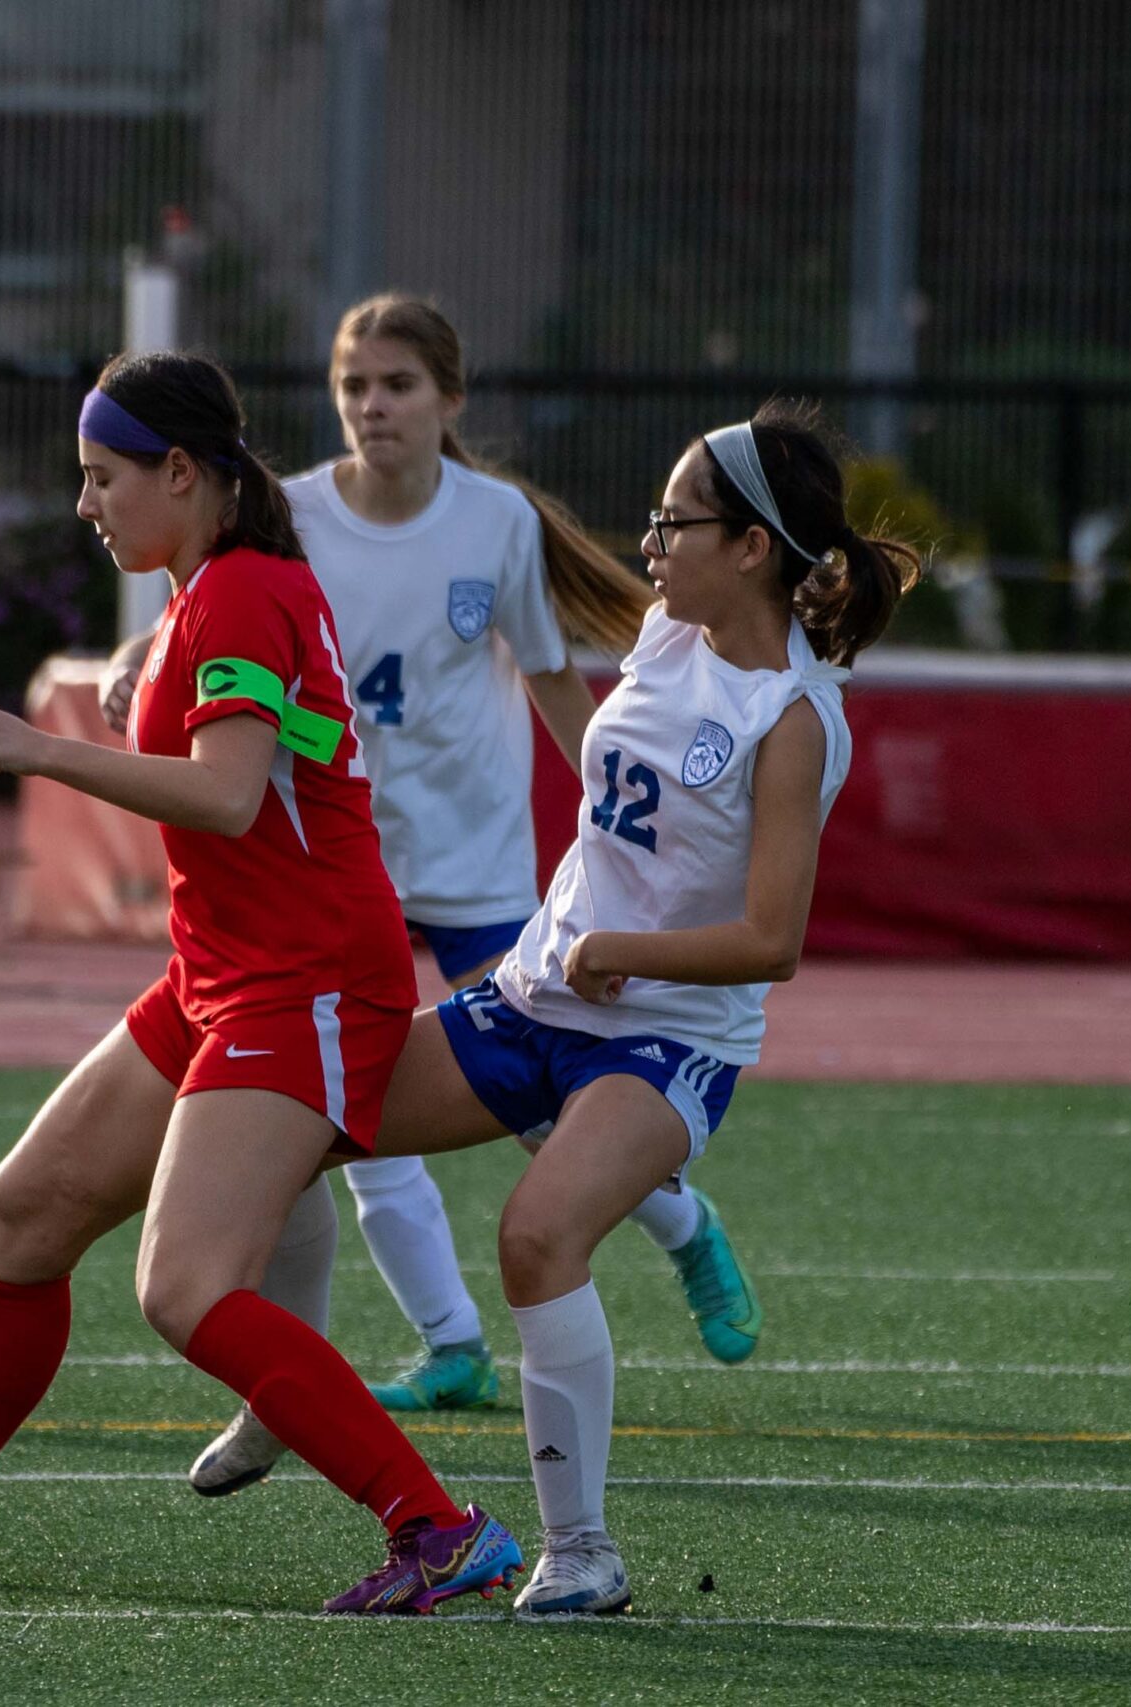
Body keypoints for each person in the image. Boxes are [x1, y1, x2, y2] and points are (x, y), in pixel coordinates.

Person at [0, 351, 520, 1615]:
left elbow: (230, 798)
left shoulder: (239, 595)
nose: (86, 504)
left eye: (102, 476)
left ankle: (440, 1529)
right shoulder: (209, 592)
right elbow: (245, 754)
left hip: (304, 982)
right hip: (222, 977)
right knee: (19, 1218)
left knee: (183, 1288)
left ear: (183, 472)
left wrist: (45, 750)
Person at [101, 296, 766, 1503]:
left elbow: (562, 686)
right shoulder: (287, 514)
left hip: (472, 862)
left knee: (542, 1124)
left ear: (449, 403)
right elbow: (202, 622)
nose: (373, 406)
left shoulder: (495, 523)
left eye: (398, 385)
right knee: (335, 1124)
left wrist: (616, 839)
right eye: (354, 385)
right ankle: (446, 1343)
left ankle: (681, 1225)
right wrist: (133, 660)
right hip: (337, 870)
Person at [332, 400, 919, 1616]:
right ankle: (269, 1398)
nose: (650, 540)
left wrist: (621, 947)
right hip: (537, 992)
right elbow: (544, 573)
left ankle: (582, 1553)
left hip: (669, 1039)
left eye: (674, 518)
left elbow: (774, 942)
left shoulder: (793, 720)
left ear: (751, 546)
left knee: (537, 1237)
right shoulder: (668, 629)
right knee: (298, 1114)